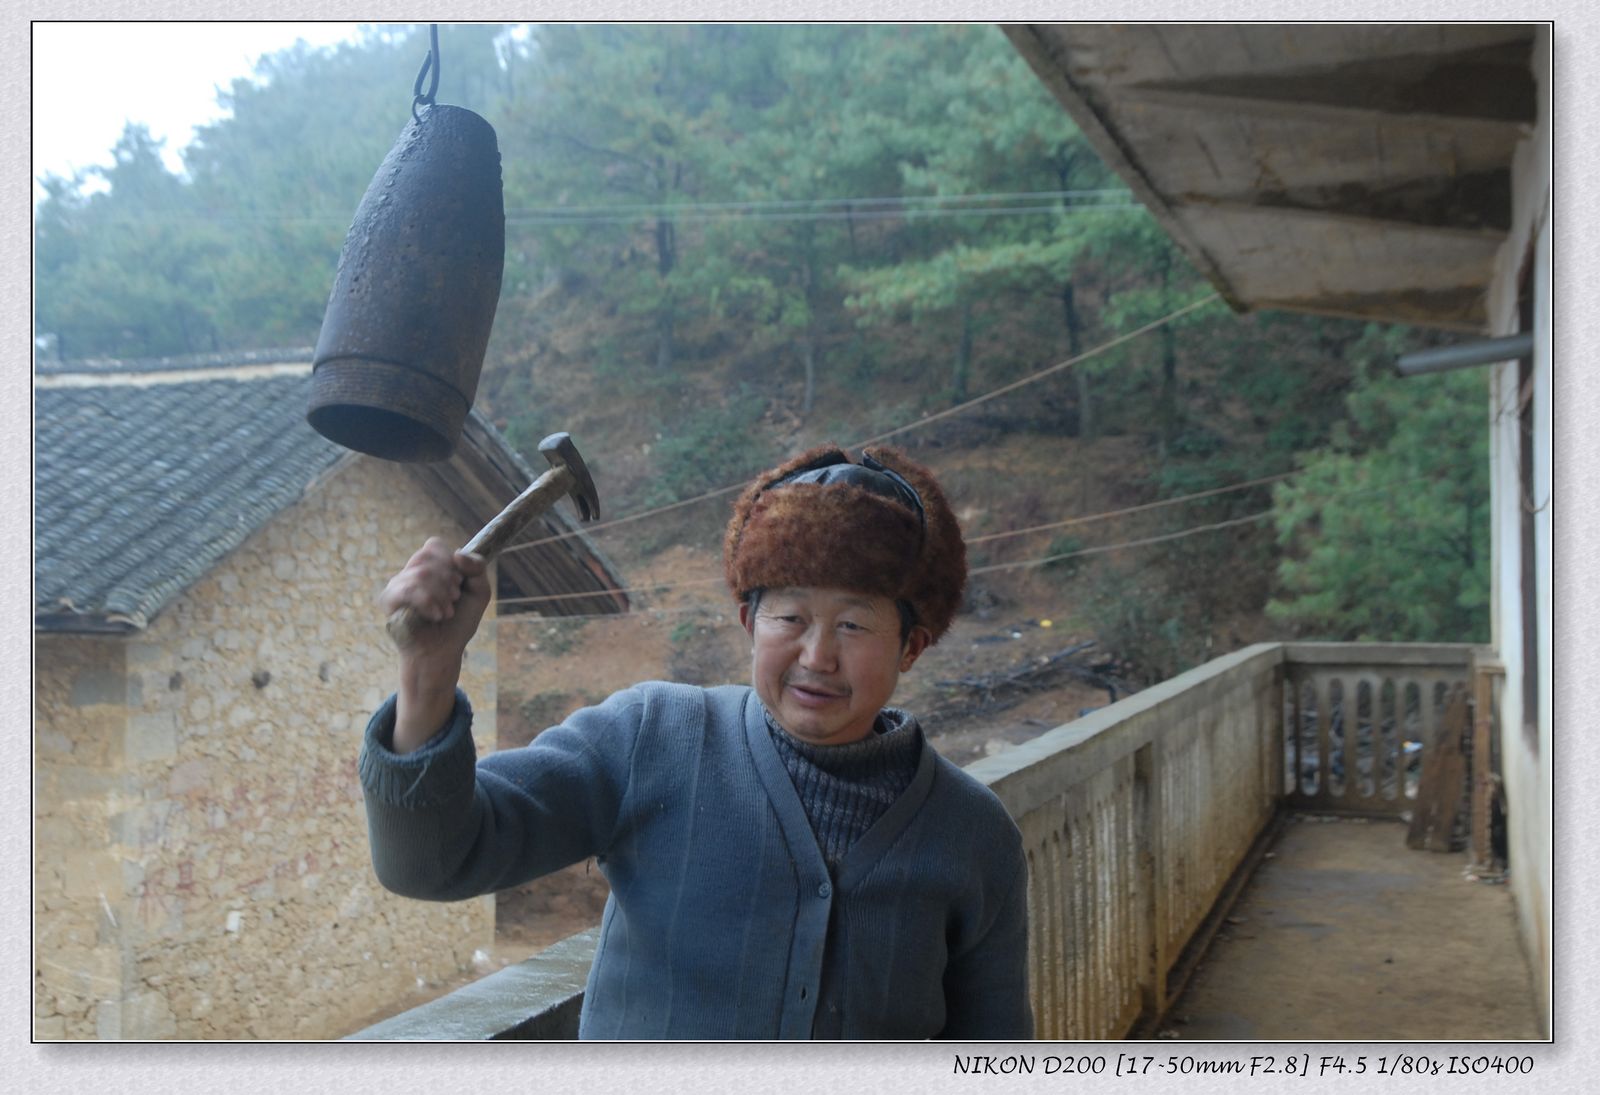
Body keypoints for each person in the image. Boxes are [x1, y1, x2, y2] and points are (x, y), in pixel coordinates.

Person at [358, 444, 1033, 1039]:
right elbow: (432, 861)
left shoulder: (973, 835)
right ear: (748, 620)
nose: (817, 656)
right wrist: (428, 671)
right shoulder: (649, 738)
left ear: (911, 646)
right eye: (790, 616)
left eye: (854, 625)